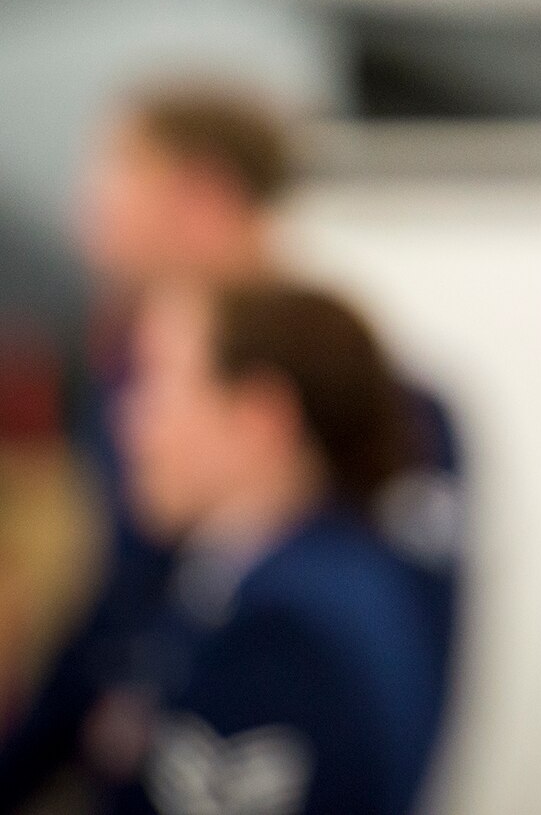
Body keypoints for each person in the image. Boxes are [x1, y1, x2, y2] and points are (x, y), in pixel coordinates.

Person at [0, 84, 462, 813]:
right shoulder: (240, 560)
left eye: (114, 181)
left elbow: (413, 657)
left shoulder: (302, 597)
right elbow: (111, 632)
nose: (88, 218)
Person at [93, 278, 443, 815]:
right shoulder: (333, 575)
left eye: (156, 383)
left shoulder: (284, 631)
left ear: (259, 418)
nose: (127, 419)